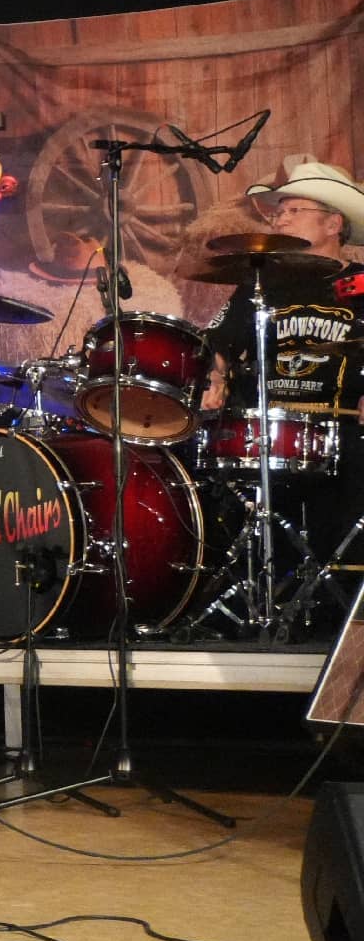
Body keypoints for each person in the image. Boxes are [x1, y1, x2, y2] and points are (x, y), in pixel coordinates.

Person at [200, 159, 364, 632]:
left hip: (343, 426)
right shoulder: (261, 282)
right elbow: (219, 347)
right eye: (278, 212)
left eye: (294, 209)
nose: (280, 219)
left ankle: (346, 614)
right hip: (263, 430)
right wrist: (213, 381)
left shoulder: (360, 283)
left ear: (333, 222)